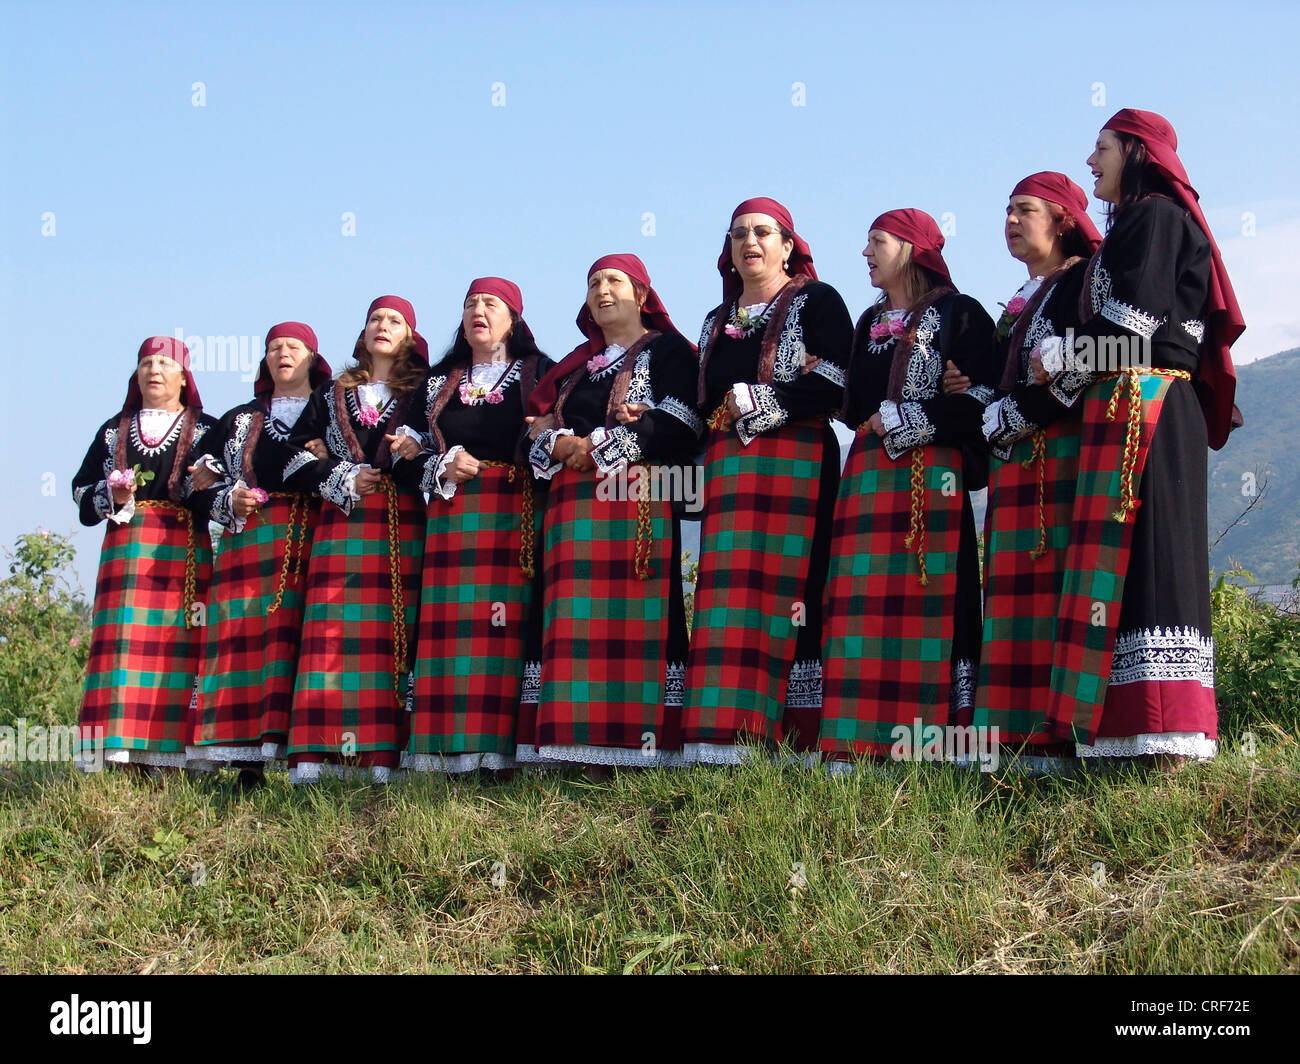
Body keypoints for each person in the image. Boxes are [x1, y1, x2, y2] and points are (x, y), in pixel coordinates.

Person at [990, 110, 1243, 763]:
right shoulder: (1132, 222)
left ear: (1135, 151)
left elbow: (1131, 326)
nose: (1090, 160)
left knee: (1156, 562)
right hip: (1121, 408)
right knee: (1117, 572)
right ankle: (1122, 734)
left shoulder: (1156, 216)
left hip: (1152, 402)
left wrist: (1058, 356)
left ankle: (1166, 734)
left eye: (1101, 147)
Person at [819, 210, 996, 768]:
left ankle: (940, 737)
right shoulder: (868, 320)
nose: (865, 253)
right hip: (869, 476)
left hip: (932, 478)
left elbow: (984, 401)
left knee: (935, 596)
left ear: (912, 249)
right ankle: (860, 739)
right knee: (860, 605)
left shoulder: (960, 313)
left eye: (876, 242)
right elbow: (852, 407)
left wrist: (917, 413)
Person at [681, 198, 853, 764]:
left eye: (761, 233)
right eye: (737, 235)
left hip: (798, 464)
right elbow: (703, 402)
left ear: (787, 245)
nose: (748, 243)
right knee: (730, 595)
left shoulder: (817, 301)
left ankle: (801, 737)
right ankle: (728, 739)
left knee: (797, 589)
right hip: (729, 474)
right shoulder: (714, 320)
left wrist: (766, 397)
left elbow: (837, 383)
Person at [525, 254, 701, 768]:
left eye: (614, 281)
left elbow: (686, 420)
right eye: (593, 282)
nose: (602, 289)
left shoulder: (671, 351)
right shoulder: (575, 365)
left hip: (638, 502)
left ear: (642, 296)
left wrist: (605, 443)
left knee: (640, 613)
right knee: (575, 619)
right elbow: (537, 426)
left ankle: (648, 744)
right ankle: (572, 741)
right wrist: (560, 446)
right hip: (574, 510)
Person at [279, 296, 430, 784]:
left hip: (401, 524)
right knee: (332, 633)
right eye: (374, 320)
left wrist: (418, 448)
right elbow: (288, 461)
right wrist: (338, 473)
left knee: (393, 634)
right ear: (362, 335)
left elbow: (444, 441)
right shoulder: (329, 395)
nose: (382, 327)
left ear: (409, 336)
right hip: (341, 525)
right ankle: (320, 759)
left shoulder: (426, 390)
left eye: (394, 321)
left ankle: (386, 758)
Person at [405, 278, 552, 774]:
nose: (478, 312)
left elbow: (557, 435)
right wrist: (437, 465)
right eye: (470, 304)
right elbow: (398, 451)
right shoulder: (436, 384)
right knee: (450, 633)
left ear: (515, 318)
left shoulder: (540, 373)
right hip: (451, 521)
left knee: (507, 628)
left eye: (491, 304)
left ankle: (504, 753)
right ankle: (446, 754)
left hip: (515, 518)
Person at [185, 323, 333, 787]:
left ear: (312, 356)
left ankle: (310, 757)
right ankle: (248, 760)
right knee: (248, 642)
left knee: (309, 641)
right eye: (273, 348)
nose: (282, 354)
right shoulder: (237, 419)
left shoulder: (335, 408)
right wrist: (228, 499)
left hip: (319, 534)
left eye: (292, 347)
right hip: (249, 542)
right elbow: (192, 486)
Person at [72, 337, 217, 774]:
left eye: (164, 363)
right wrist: (110, 494)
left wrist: (206, 482)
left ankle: (173, 757)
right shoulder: (113, 430)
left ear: (183, 377)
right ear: (136, 375)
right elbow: (80, 491)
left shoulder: (208, 429)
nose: (154, 371)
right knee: (120, 649)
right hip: (127, 552)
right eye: (146, 364)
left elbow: (220, 487)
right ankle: (118, 754)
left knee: (183, 644)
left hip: (184, 552)